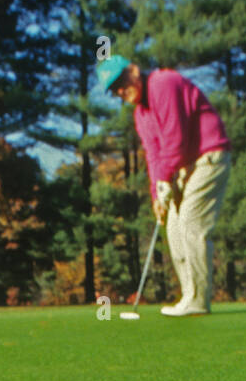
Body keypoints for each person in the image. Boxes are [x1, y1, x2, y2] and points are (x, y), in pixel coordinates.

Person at [97, 55, 231, 316]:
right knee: (173, 226)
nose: (121, 91)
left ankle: (198, 300)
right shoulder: (140, 114)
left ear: (134, 70)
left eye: (122, 82)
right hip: (181, 165)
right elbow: (153, 155)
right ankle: (188, 294)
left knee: (192, 220)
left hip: (209, 156)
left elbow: (175, 138)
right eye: (115, 90)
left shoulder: (163, 83)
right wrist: (156, 194)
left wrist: (165, 178)